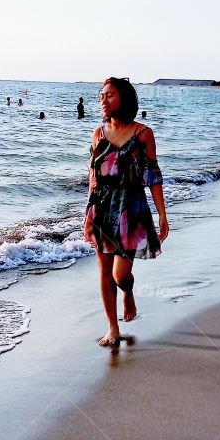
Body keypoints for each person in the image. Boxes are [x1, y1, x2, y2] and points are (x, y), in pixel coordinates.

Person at [83, 77, 169, 347]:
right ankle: (113, 328)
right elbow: (93, 176)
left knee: (120, 275)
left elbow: (153, 177)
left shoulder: (143, 134)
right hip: (101, 208)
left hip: (131, 209)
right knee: (104, 271)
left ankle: (128, 291)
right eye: (101, 95)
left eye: (109, 95)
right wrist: (88, 212)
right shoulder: (98, 134)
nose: (103, 100)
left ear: (125, 98)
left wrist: (162, 215)